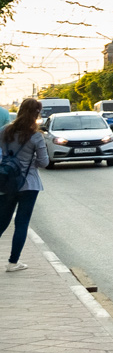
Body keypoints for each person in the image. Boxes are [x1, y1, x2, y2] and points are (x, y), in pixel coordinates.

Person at [0, 99, 49, 272]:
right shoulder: (36, 136)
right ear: (37, 114)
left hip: (6, 181)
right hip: (29, 184)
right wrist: (29, 161)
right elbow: (44, 162)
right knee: (22, 222)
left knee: (2, 220)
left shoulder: (4, 131)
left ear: (20, 110)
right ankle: (13, 263)